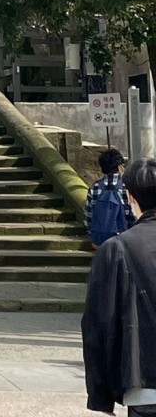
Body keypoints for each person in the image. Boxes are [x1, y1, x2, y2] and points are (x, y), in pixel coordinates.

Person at [81, 156, 156, 416]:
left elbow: (100, 323)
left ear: (130, 196)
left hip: (144, 382)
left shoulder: (116, 250)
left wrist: (101, 395)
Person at [84, 148, 136, 248]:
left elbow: (88, 216)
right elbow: (132, 215)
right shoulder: (127, 187)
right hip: (123, 239)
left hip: (99, 241)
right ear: (120, 166)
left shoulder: (95, 186)